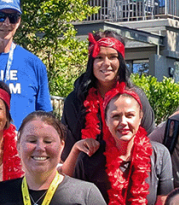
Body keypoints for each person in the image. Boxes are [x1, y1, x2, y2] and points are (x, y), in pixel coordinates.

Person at [69, 89, 173, 205]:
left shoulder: (160, 155)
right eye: (116, 116)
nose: (123, 122)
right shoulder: (90, 158)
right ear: (106, 120)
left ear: (140, 118)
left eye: (130, 115)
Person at [60, 31, 154, 165]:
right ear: (91, 62)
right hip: (87, 175)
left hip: (129, 172)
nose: (106, 63)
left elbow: (149, 140)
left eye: (112, 57)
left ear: (120, 61)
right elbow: (67, 152)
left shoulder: (135, 98)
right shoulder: (75, 100)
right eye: (99, 57)